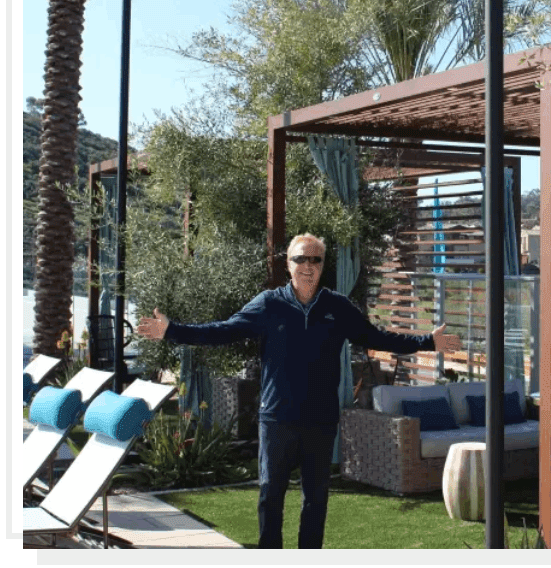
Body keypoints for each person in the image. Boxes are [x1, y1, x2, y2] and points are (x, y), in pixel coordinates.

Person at [137, 233, 461, 549]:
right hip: (277, 419)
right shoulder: (269, 305)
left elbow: (378, 338)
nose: (308, 266)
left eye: (315, 260)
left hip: (320, 421)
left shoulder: (337, 307)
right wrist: (172, 331)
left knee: (316, 501)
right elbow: (223, 331)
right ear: (288, 266)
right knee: (270, 496)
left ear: (322, 266)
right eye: (300, 259)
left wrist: (427, 342)